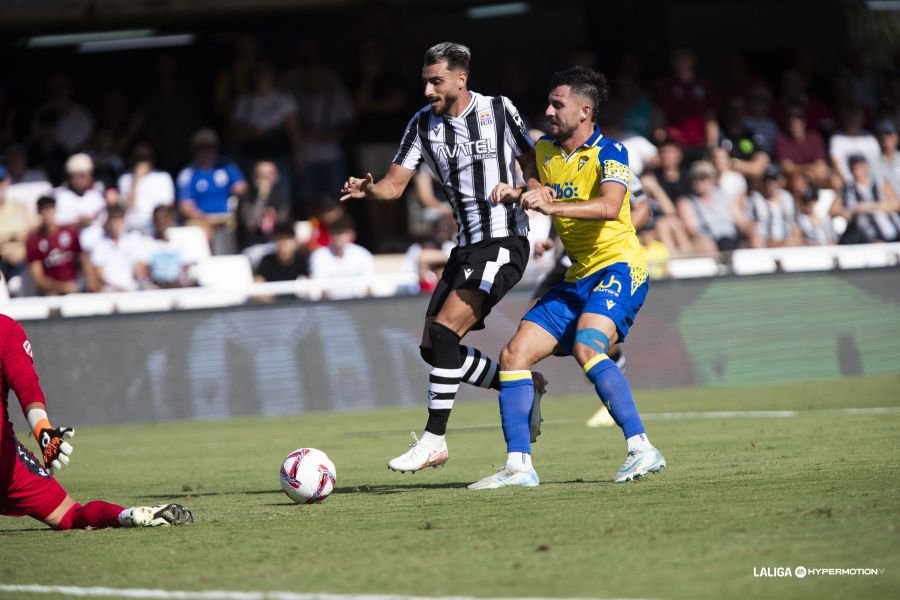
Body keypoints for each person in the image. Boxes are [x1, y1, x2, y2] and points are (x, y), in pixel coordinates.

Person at [340, 42, 542, 473]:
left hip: (505, 240)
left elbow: (532, 165)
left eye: (436, 81)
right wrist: (369, 189)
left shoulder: (499, 110)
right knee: (434, 348)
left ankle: (434, 440)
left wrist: (531, 191)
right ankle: (521, 385)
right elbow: (393, 187)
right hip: (467, 245)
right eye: (425, 82)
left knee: (448, 331)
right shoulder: (421, 125)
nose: (428, 89)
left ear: (461, 79)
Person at [468, 66, 665, 489]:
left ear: (584, 110)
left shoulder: (612, 153)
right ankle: (519, 467)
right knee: (513, 355)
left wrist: (548, 206)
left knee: (588, 346)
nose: (549, 110)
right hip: (577, 276)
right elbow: (539, 188)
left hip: (620, 267)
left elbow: (611, 207)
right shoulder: (544, 151)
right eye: (550, 103)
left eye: (558, 104)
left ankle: (642, 448)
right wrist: (517, 192)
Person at [0, 314, 193, 529]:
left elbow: (26, 385)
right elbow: (26, 385)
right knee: (69, 515)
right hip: (4, 461)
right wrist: (42, 429)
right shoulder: (5, 327)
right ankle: (125, 515)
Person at [25, 196, 99, 295]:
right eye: (44, 210)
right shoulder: (34, 240)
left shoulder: (69, 232)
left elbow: (83, 258)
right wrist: (61, 287)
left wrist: (91, 279)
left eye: (51, 209)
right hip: (52, 290)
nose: (48, 214)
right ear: (39, 213)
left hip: (74, 285)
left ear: (55, 210)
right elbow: (38, 278)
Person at [308, 215, 374, 299]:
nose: (339, 237)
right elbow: (321, 288)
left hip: (358, 304)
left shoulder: (363, 254)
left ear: (351, 235)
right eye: (335, 233)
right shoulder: (318, 255)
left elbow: (368, 286)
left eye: (342, 232)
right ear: (330, 235)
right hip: (329, 306)